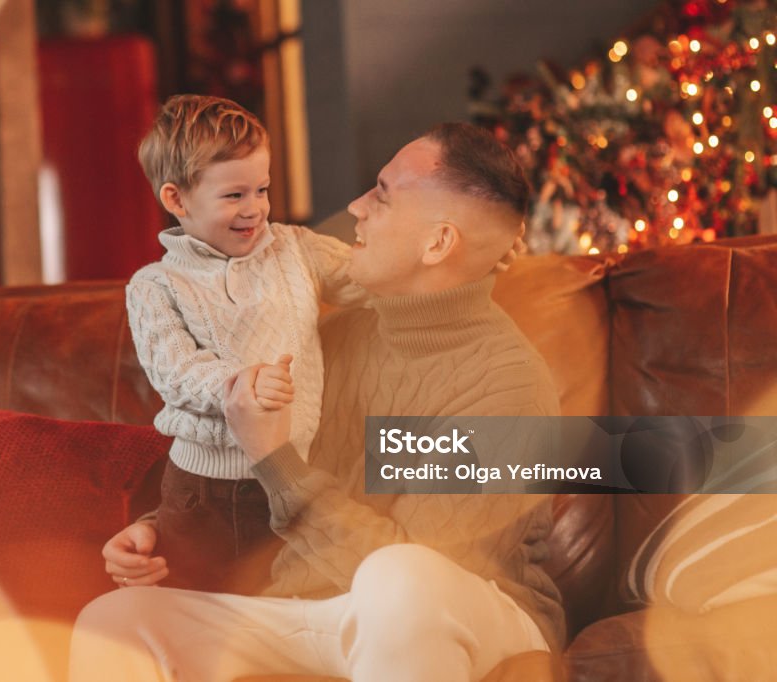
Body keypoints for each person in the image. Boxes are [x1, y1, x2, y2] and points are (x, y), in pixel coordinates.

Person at [72, 122, 563, 681]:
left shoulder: (506, 385)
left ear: (437, 243)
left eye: (382, 192)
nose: (356, 206)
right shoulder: (337, 338)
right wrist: (162, 529)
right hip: (318, 609)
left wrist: (276, 462)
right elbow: (266, 459)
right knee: (115, 621)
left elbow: (414, 566)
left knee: (399, 579)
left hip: (467, 615)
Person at [126, 94, 367, 593]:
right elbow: (176, 372)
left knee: (285, 611)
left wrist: (459, 260)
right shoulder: (155, 286)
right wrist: (242, 384)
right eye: (234, 196)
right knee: (204, 620)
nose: (255, 209)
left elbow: (371, 277)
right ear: (177, 200)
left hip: (291, 477)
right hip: (202, 494)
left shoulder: (295, 249)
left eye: (262, 189)